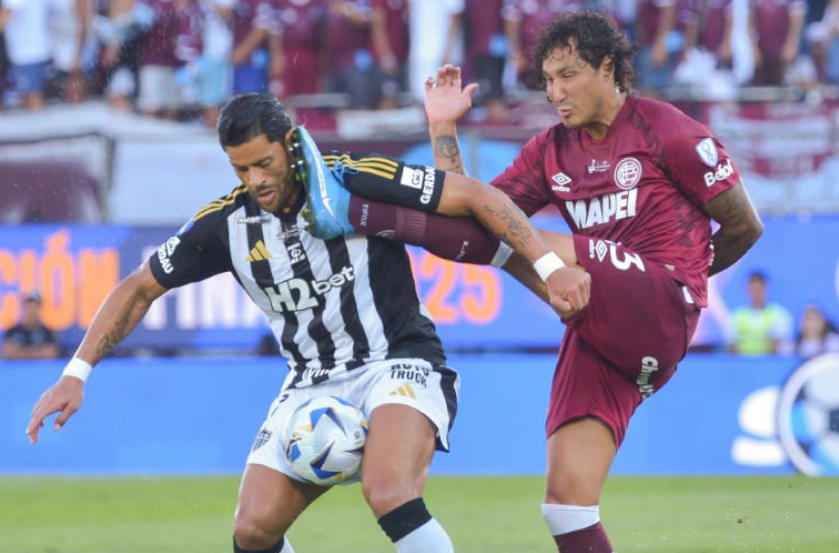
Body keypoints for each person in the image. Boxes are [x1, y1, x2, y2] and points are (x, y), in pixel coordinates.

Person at [26, 93, 583, 553]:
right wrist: (77, 372)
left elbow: (473, 196)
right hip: (310, 380)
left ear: (290, 145)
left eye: (263, 163)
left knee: (388, 492)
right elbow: (138, 286)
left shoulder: (354, 177)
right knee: (252, 530)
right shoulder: (227, 225)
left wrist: (550, 265)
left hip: (399, 360)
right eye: (240, 168)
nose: (255, 180)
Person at [300, 11, 764, 552]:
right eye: (547, 80)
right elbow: (471, 213)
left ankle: (354, 210)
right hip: (601, 326)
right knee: (566, 508)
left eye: (567, 75)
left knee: (524, 242)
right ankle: (355, 210)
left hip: (661, 298)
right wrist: (443, 128)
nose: (555, 92)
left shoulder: (669, 131)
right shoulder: (550, 150)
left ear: (608, 67)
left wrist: (682, 283)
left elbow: (744, 226)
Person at [726, 270, 793, 355]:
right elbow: (731, 348)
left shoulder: (779, 315)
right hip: (742, 365)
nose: (756, 293)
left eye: (759, 289)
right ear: (748, 289)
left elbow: (779, 348)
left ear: (765, 288)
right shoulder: (736, 316)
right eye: (753, 289)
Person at [1, 292, 61, 360]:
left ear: (39, 309)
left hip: (41, 370)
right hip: (17, 370)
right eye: (29, 307)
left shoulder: (48, 332)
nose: (31, 311)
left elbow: (51, 353)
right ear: (23, 309)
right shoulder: (12, 331)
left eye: (34, 307)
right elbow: (7, 353)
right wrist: (39, 351)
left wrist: (19, 352)